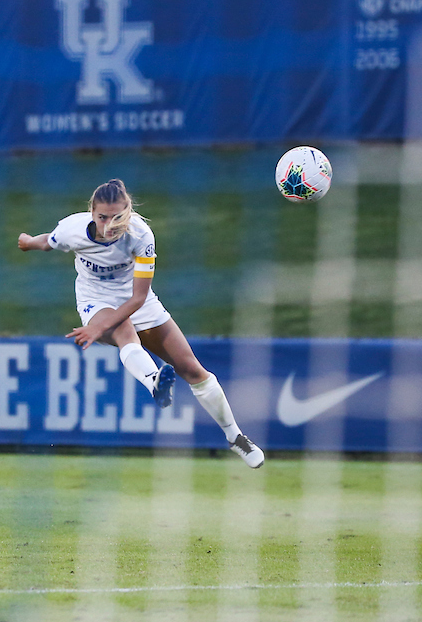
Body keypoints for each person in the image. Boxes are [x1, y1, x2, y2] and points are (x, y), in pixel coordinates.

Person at [17, 178, 265, 469]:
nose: (109, 224)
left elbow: (138, 298)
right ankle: (153, 382)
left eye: (117, 217)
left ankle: (235, 437)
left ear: (129, 211)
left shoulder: (141, 235)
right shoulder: (73, 229)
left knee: (193, 369)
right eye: (102, 217)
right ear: (91, 212)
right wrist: (29, 242)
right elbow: (50, 241)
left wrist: (98, 330)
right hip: (95, 300)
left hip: (138, 301)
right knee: (124, 331)